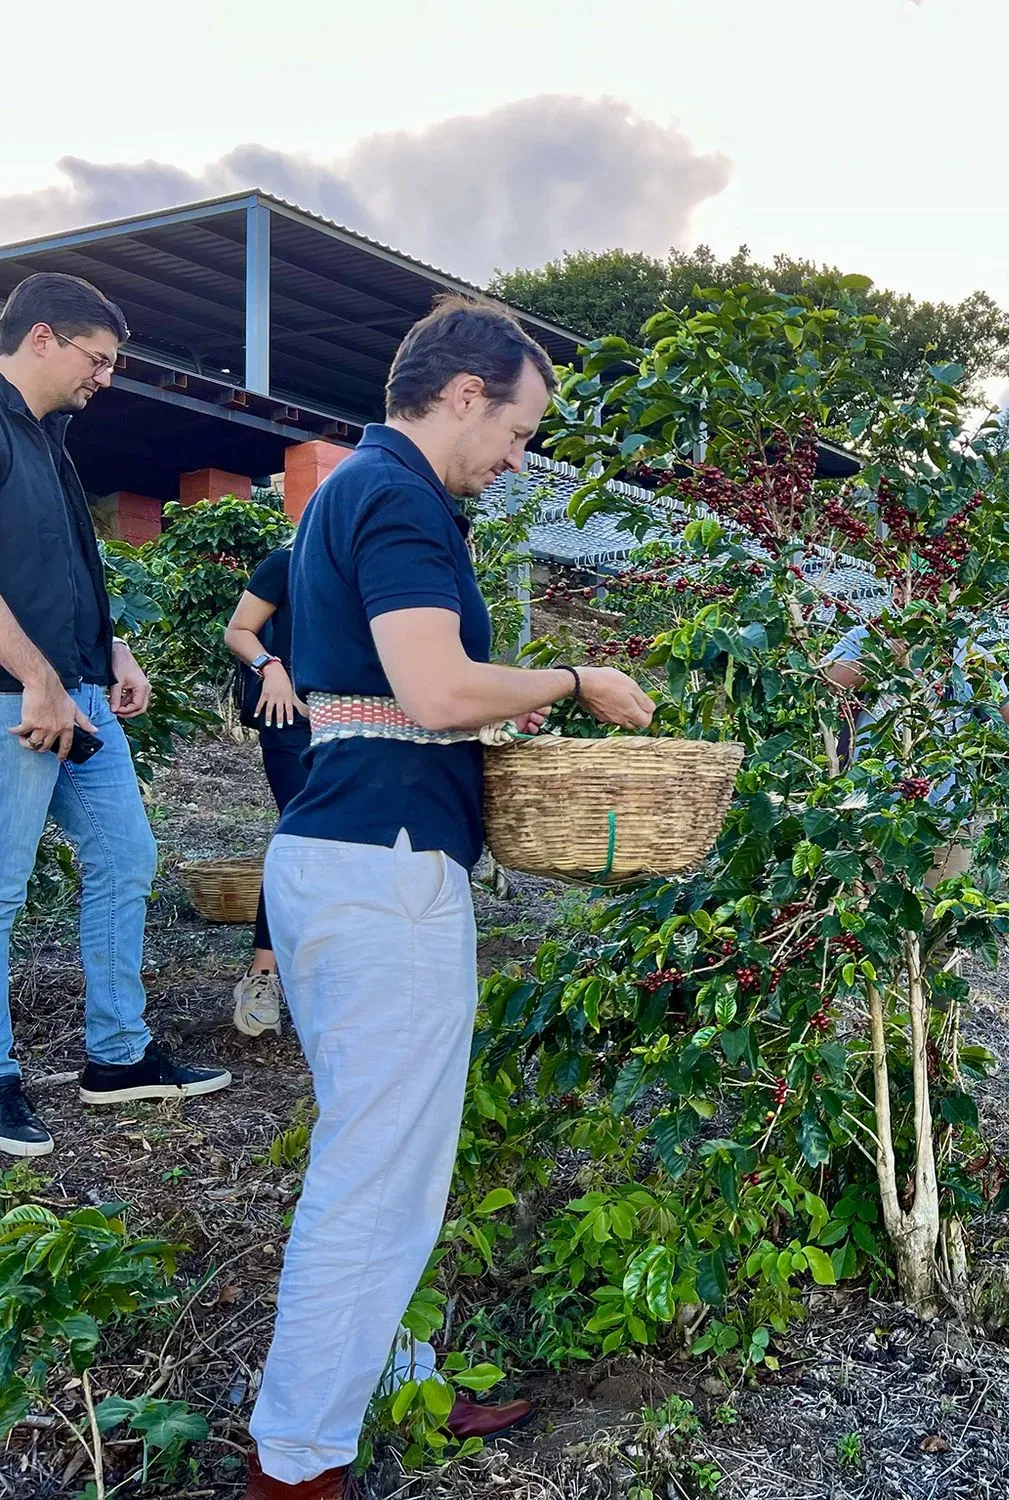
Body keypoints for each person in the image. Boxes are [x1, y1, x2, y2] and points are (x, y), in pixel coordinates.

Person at [242, 297, 656, 1498]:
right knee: (375, 1179)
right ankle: (297, 1465)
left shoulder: (355, 493)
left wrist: (493, 695)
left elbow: (399, 688)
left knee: (376, 1157)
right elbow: (430, 690)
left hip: (336, 851)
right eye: (520, 432)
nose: (517, 459)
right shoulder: (408, 500)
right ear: (464, 393)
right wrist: (577, 676)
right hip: (387, 875)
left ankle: (390, 1376)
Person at [0, 272, 232, 1160]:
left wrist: (115, 649)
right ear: (45, 338)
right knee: (3, 890)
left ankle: (118, 1058)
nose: (105, 379)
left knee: (127, 859)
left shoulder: (51, 437)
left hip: (82, 690)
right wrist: (39, 679)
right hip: (19, 699)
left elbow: (71, 562)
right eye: (98, 360)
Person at [820, 621, 1009, 882]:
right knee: (872, 914)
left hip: (946, 821)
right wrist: (884, 657)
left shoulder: (969, 651)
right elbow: (825, 680)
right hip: (870, 815)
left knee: (937, 913)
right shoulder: (866, 637)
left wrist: (989, 685)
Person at [222, 544, 307, 1037]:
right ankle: (263, 974)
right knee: (298, 839)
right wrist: (271, 667)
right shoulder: (286, 562)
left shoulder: (376, 561)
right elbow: (239, 629)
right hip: (291, 720)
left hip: (357, 722)